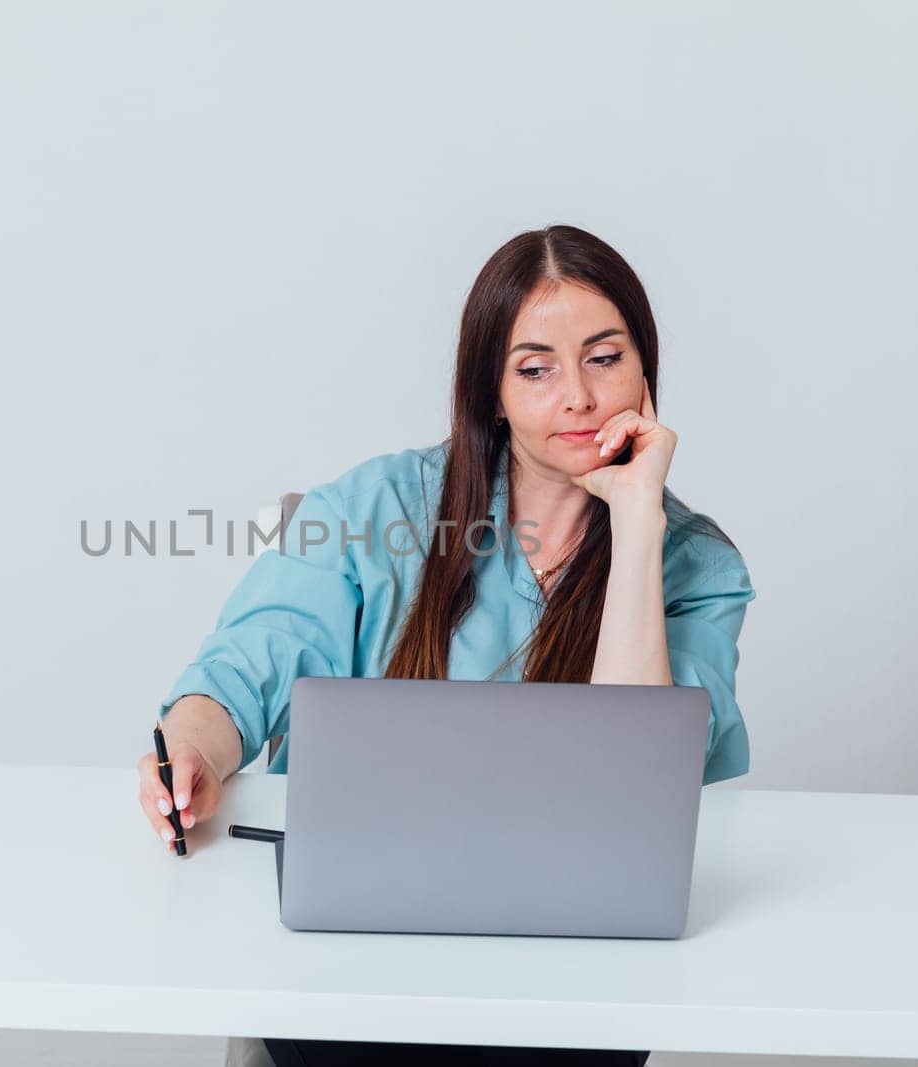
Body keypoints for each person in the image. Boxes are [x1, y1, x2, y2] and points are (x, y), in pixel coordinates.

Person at [134, 224, 757, 1066]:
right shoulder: (373, 508)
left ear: (645, 372)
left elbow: (642, 778)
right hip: (350, 976)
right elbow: (249, 665)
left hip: (573, 982)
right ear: (491, 391)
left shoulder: (695, 563)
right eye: (535, 368)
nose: (576, 395)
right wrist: (194, 751)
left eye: (604, 358)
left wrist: (637, 518)